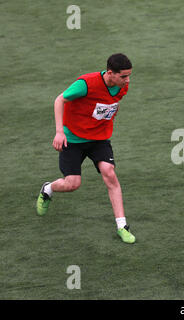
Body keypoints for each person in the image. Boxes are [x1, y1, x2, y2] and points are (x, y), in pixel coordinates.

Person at [36, 53, 136, 244]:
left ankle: (122, 226)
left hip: (99, 139)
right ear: (110, 73)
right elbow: (60, 100)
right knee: (72, 184)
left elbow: (109, 104)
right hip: (73, 139)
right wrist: (59, 131)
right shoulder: (86, 84)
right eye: (124, 76)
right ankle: (48, 188)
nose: (128, 80)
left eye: (129, 75)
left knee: (110, 173)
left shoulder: (122, 86)